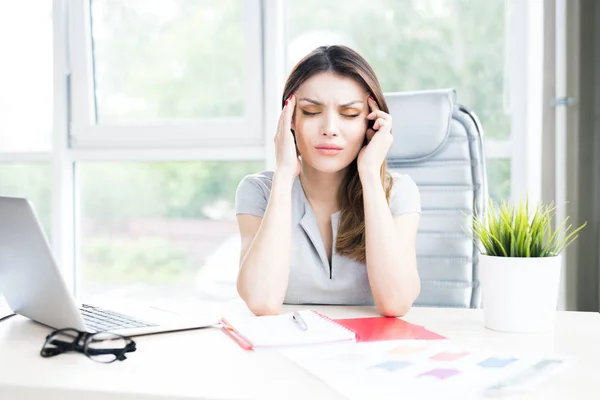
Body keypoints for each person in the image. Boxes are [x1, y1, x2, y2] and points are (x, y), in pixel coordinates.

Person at [235, 45, 421, 317]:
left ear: (371, 123)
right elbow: (261, 301)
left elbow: (396, 303)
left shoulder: (398, 192)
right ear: (289, 121)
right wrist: (284, 175)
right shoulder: (258, 191)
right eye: (310, 111)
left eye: (349, 114)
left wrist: (370, 174)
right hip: (287, 352)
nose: (330, 129)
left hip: (370, 352)